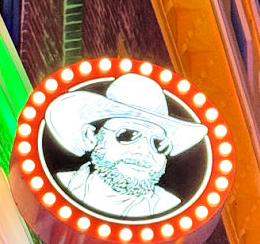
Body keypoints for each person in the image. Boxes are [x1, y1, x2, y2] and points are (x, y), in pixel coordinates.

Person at [42, 73, 208, 219]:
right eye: (127, 135)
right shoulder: (62, 183)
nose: (145, 151)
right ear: (90, 136)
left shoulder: (167, 206)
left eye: (158, 144)